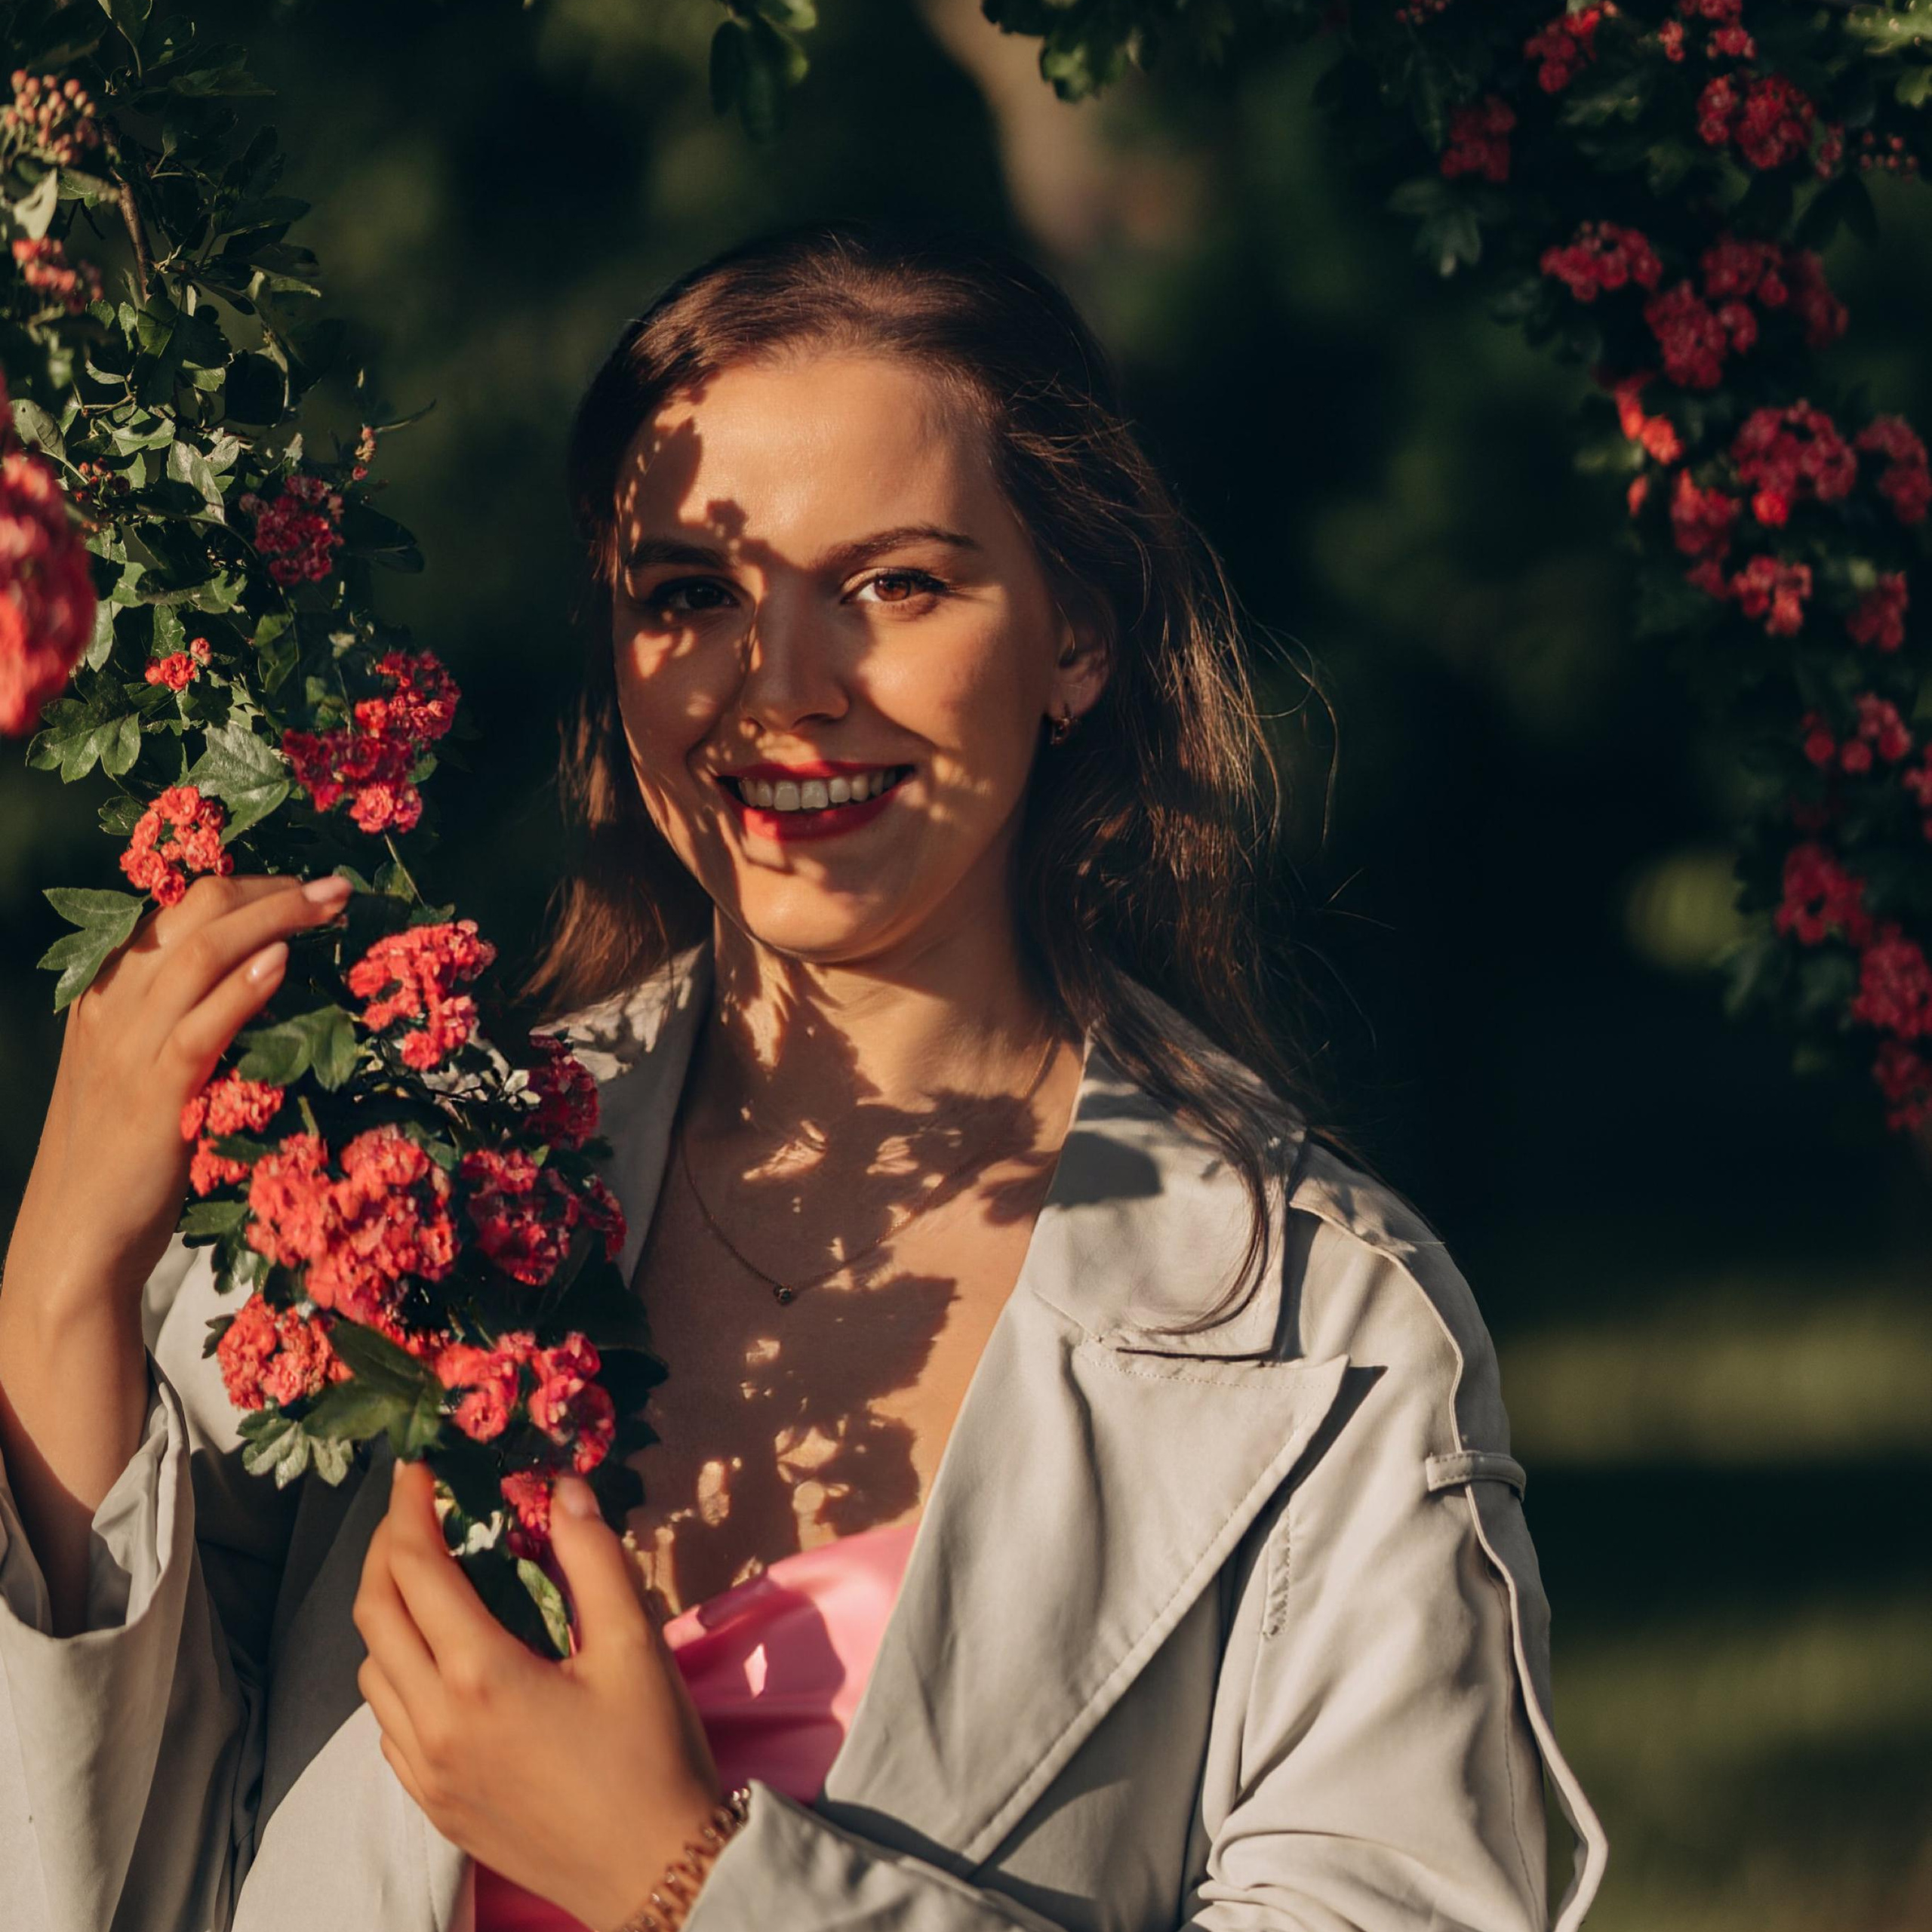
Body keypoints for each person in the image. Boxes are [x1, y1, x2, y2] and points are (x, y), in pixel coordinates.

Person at [0, 218, 1608, 1932]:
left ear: (1077, 637)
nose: (779, 687)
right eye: (691, 594)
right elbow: (101, 1870)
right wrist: (62, 1277)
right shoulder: (407, 1188)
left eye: (895, 583)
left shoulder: (1319, 1333)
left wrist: (687, 1876)